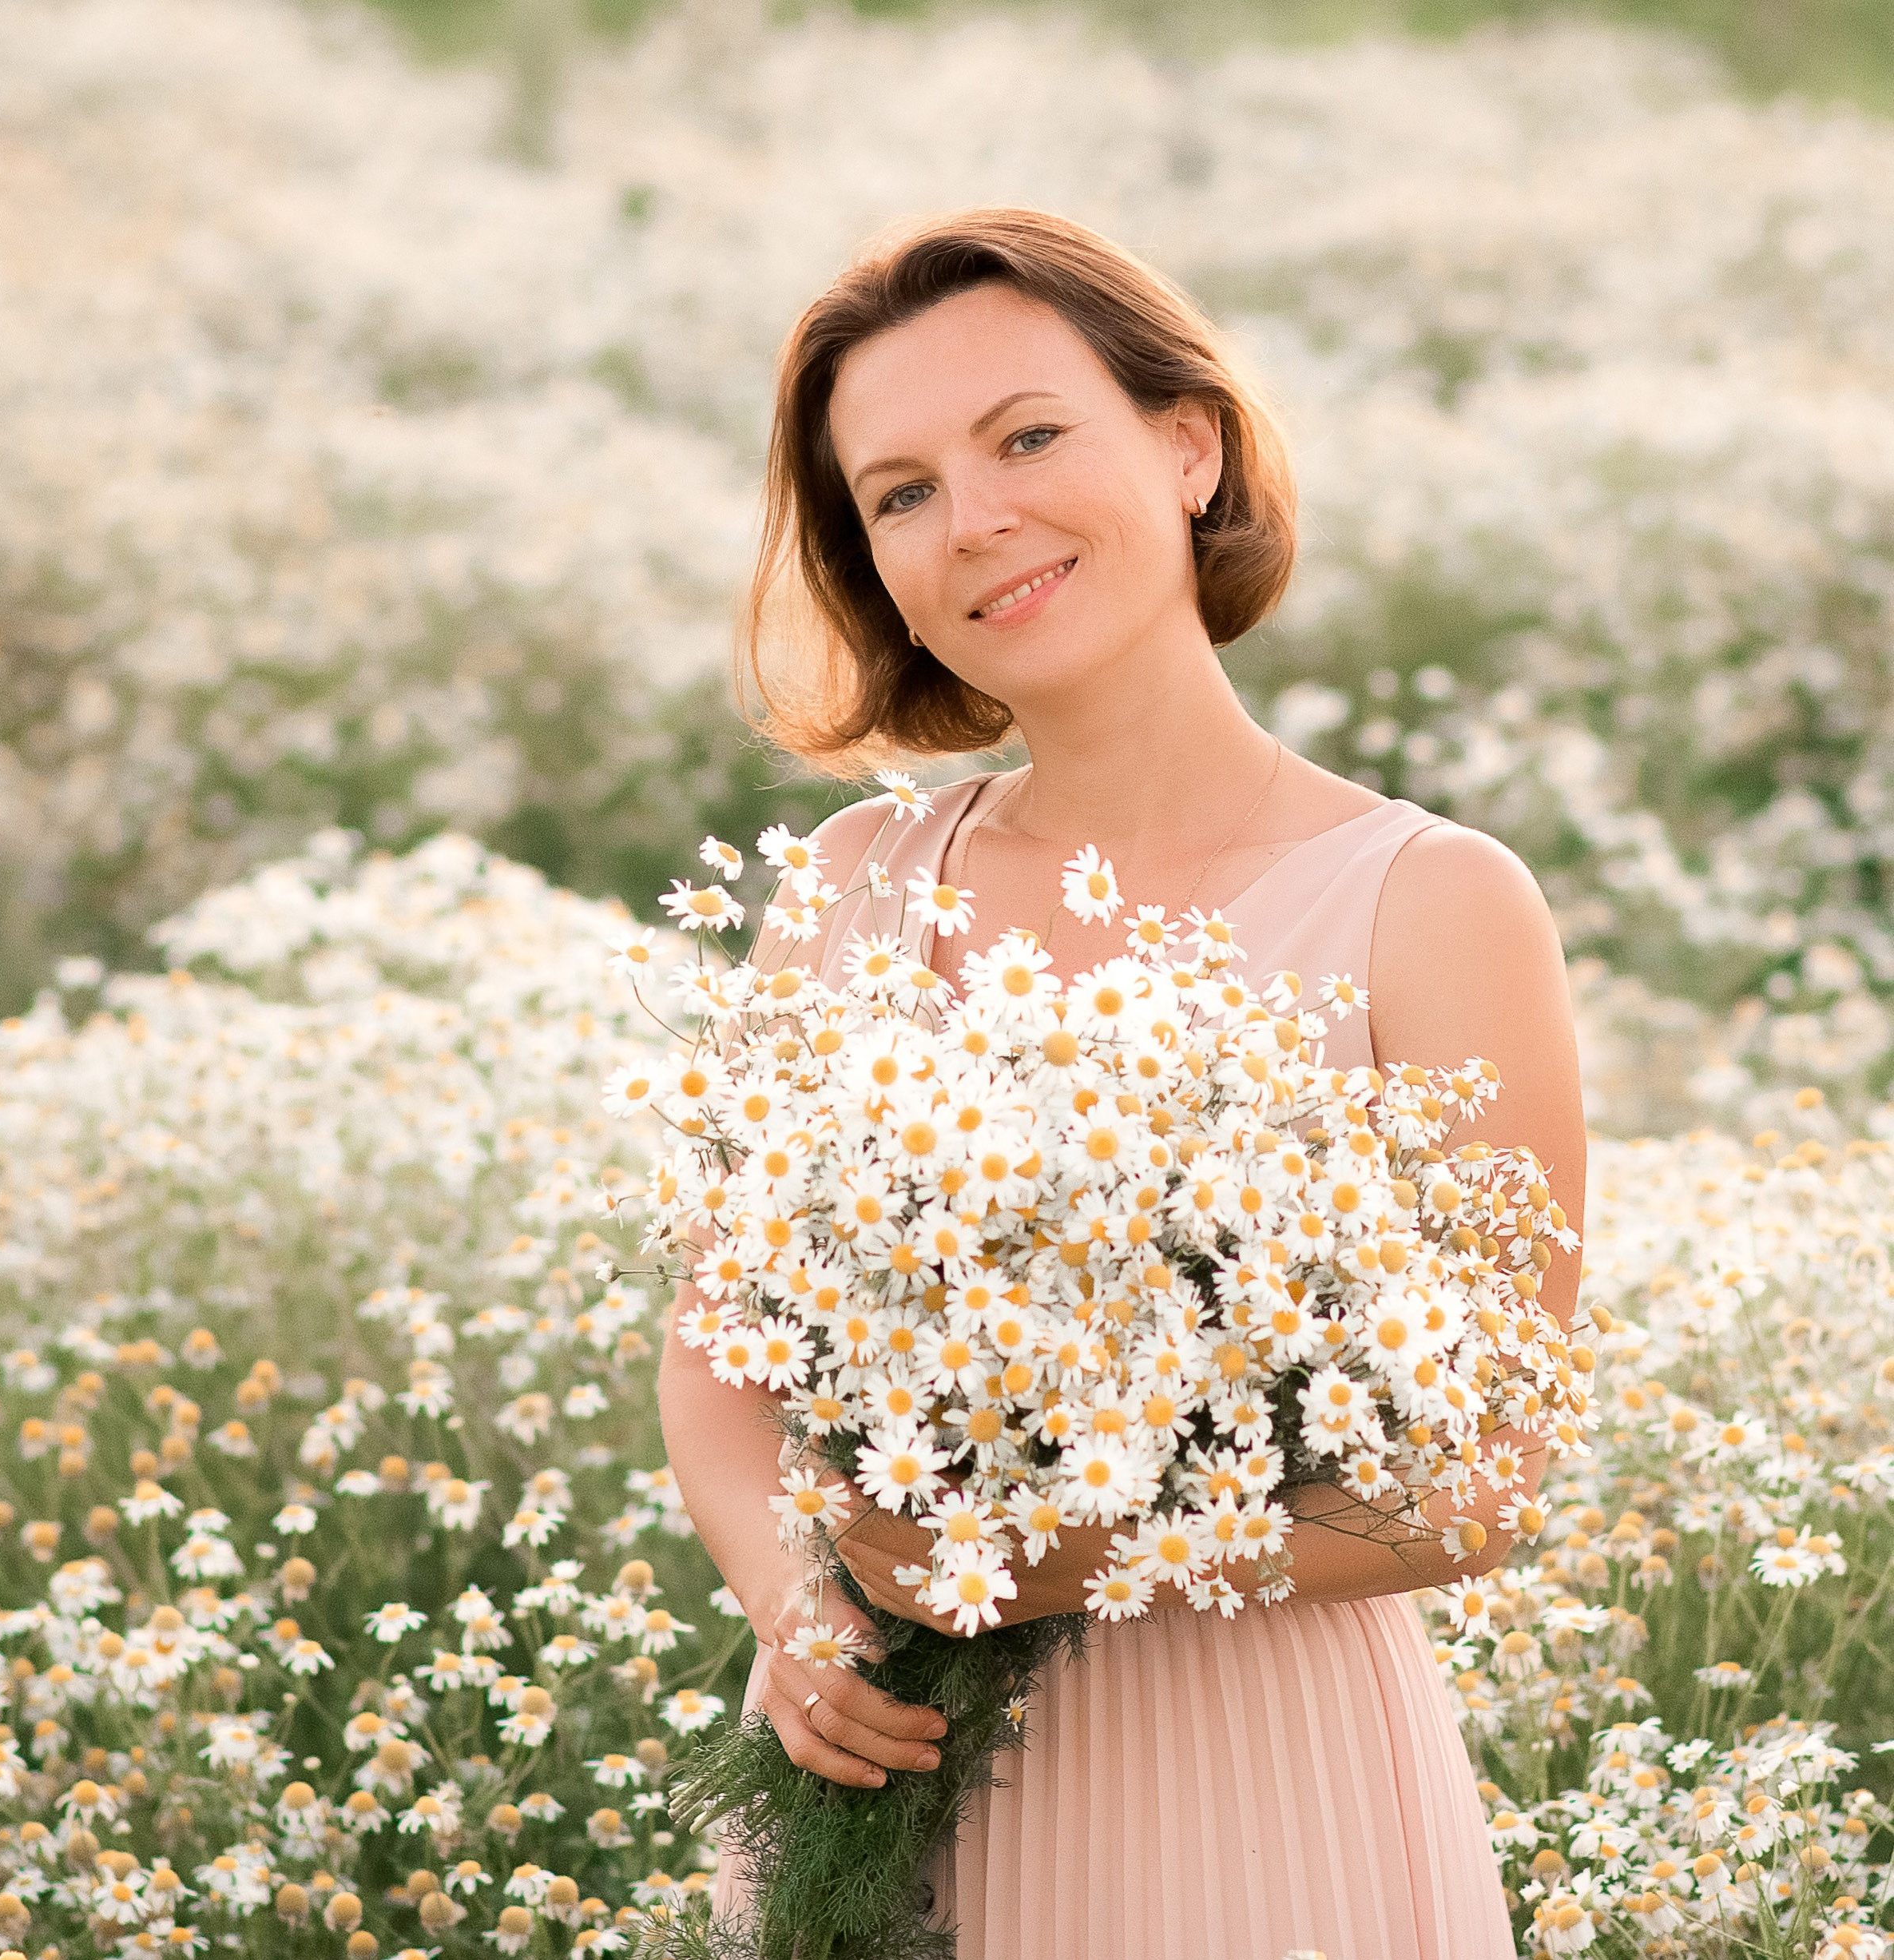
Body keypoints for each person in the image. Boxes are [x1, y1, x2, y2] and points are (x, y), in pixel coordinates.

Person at [657, 206, 1586, 1960]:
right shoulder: (847, 886)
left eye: (1027, 436)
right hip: (884, 1790)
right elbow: (717, 1367)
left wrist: (1041, 1557)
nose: (977, 520)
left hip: (1267, 1804)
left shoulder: (1432, 902)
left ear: (1187, 442)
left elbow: (1487, 1474)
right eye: (902, 491)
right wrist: (805, 1621)